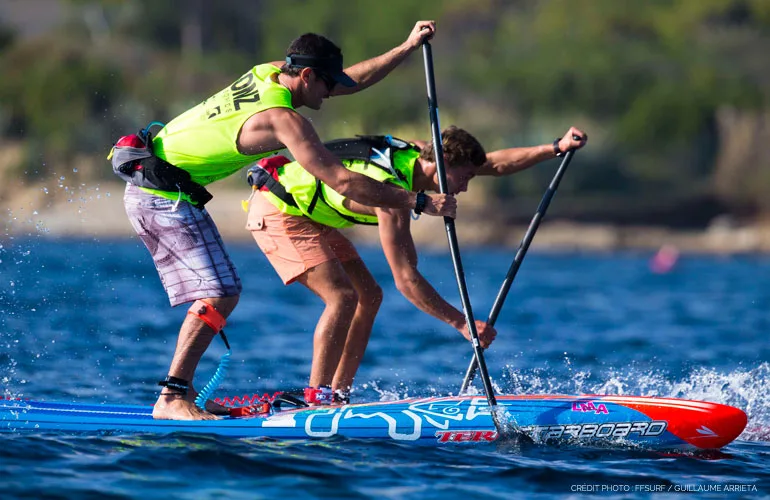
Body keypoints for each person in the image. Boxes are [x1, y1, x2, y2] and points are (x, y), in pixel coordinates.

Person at [119, 22, 456, 421]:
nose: (332, 94)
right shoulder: (285, 121)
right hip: (162, 196)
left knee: (222, 289)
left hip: (160, 186)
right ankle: (172, 397)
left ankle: (184, 392)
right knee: (220, 292)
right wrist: (418, 200)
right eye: (327, 84)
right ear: (307, 75)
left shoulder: (268, 72)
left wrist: (407, 47)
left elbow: (352, 82)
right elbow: (343, 180)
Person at [245, 126, 587, 405]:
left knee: (370, 296)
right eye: (463, 179)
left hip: (312, 212)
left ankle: (338, 394)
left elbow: (494, 164)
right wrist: (462, 324)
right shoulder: (390, 196)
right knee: (343, 298)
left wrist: (556, 147)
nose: (466, 188)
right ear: (440, 166)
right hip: (279, 208)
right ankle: (316, 399)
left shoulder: (423, 151)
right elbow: (406, 280)